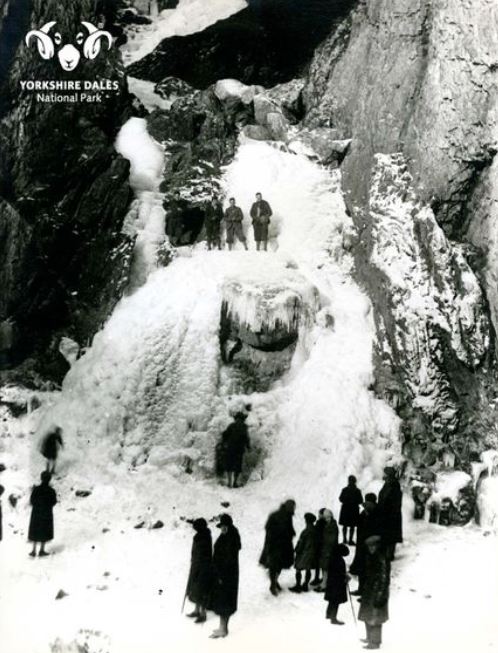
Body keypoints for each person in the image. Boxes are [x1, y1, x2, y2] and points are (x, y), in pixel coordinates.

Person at [210, 514, 241, 639]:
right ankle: (223, 627)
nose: (222, 528)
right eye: (221, 526)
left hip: (226, 575)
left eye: (224, 526)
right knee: (223, 601)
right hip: (225, 574)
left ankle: (223, 629)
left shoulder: (230, 539)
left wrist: (221, 575)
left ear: (228, 526)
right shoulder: (228, 535)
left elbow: (228, 559)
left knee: (224, 602)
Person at [358, 535, 391, 650]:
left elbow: (384, 578)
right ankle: (369, 637)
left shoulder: (381, 558)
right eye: (369, 547)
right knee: (367, 614)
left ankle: (375, 642)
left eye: (373, 546)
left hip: (377, 591)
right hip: (369, 590)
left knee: (376, 617)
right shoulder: (371, 556)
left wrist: (380, 594)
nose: (371, 549)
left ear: (378, 546)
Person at [259, 499, 296, 596]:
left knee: (279, 565)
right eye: (293, 507)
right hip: (275, 545)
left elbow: (289, 528)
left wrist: (291, 532)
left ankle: (275, 581)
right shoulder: (278, 515)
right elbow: (269, 528)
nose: (294, 509)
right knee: (274, 565)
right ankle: (273, 585)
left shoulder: (287, 515)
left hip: (283, 545)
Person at [350, 493, 380, 596]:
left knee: (369, 569)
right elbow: (356, 522)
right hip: (361, 545)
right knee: (361, 569)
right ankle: (361, 589)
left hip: (371, 546)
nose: (366, 504)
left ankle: (367, 593)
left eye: (368, 502)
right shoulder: (364, 512)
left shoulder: (377, 513)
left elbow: (377, 529)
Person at [185, 518, 212, 623]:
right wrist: (193, 561)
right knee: (195, 589)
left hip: (203, 568)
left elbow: (204, 554)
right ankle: (196, 610)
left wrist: (198, 565)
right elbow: (195, 552)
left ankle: (203, 613)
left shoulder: (205, 537)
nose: (194, 529)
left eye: (196, 527)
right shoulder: (198, 536)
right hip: (196, 566)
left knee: (202, 590)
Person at [28, 471, 57, 557]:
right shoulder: (51, 491)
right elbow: (54, 502)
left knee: (35, 530)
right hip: (46, 513)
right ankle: (42, 550)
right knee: (44, 530)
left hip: (36, 513)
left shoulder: (36, 489)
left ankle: (33, 550)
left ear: (41, 478)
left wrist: (37, 506)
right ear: (49, 479)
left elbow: (32, 500)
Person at [377, 467, 402, 561]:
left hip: (391, 515)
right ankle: (387, 553)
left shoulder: (393, 485)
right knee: (388, 534)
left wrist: (383, 509)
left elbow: (389, 501)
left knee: (390, 535)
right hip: (387, 514)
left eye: (385, 474)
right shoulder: (388, 484)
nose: (383, 475)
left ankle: (389, 554)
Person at [219, 413, 250, 488]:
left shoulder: (231, 425)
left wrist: (224, 443)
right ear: (243, 419)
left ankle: (229, 482)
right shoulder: (244, 426)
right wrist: (248, 447)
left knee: (229, 465)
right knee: (237, 465)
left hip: (230, 448)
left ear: (236, 419)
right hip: (239, 449)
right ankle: (235, 482)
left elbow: (224, 434)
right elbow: (246, 438)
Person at [290, 512, 316, 593]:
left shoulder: (306, 531)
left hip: (304, 553)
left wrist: (297, 550)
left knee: (298, 569)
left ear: (307, 521)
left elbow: (301, 543)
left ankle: (298, 586)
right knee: (308, 569)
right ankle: (305, 585)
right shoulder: (315, 530)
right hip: (312, 553)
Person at [324, 543, 350, 625]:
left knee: (332, 600)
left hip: (332, 584)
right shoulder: (339, 561)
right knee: (336, 601)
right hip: (337, 585)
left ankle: (328, 614)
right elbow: (339, 573)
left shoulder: (332, 558)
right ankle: (333, 618)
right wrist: (345, 578)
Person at [315, 508, 338, 591]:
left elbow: (331, 539)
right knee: (324, 567)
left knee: (326, 568)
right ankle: (324, 583)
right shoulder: (330, 524)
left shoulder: (332, 526)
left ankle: (324, 585)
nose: (326, 520)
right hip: (325, 549)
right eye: (325, 518)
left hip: (328, 550)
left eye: (327, 518)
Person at [339, 475, 364, 544]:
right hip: (353, 510)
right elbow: (361, 501)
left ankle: (345, 539)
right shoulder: (357, 491)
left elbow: (340, 499)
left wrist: (346, 501)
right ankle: (350, 540)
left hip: (346, 509)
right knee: (352, 526)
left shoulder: (345, 490)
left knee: (345, 525)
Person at [310, 507, 325, 586]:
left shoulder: (319, 523)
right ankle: (323, 578)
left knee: (317, 564)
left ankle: (316, 578)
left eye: (319, 514)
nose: (318, 515)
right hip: (323, 546)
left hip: (318, 546)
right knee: (322, 564)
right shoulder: (327, 522)